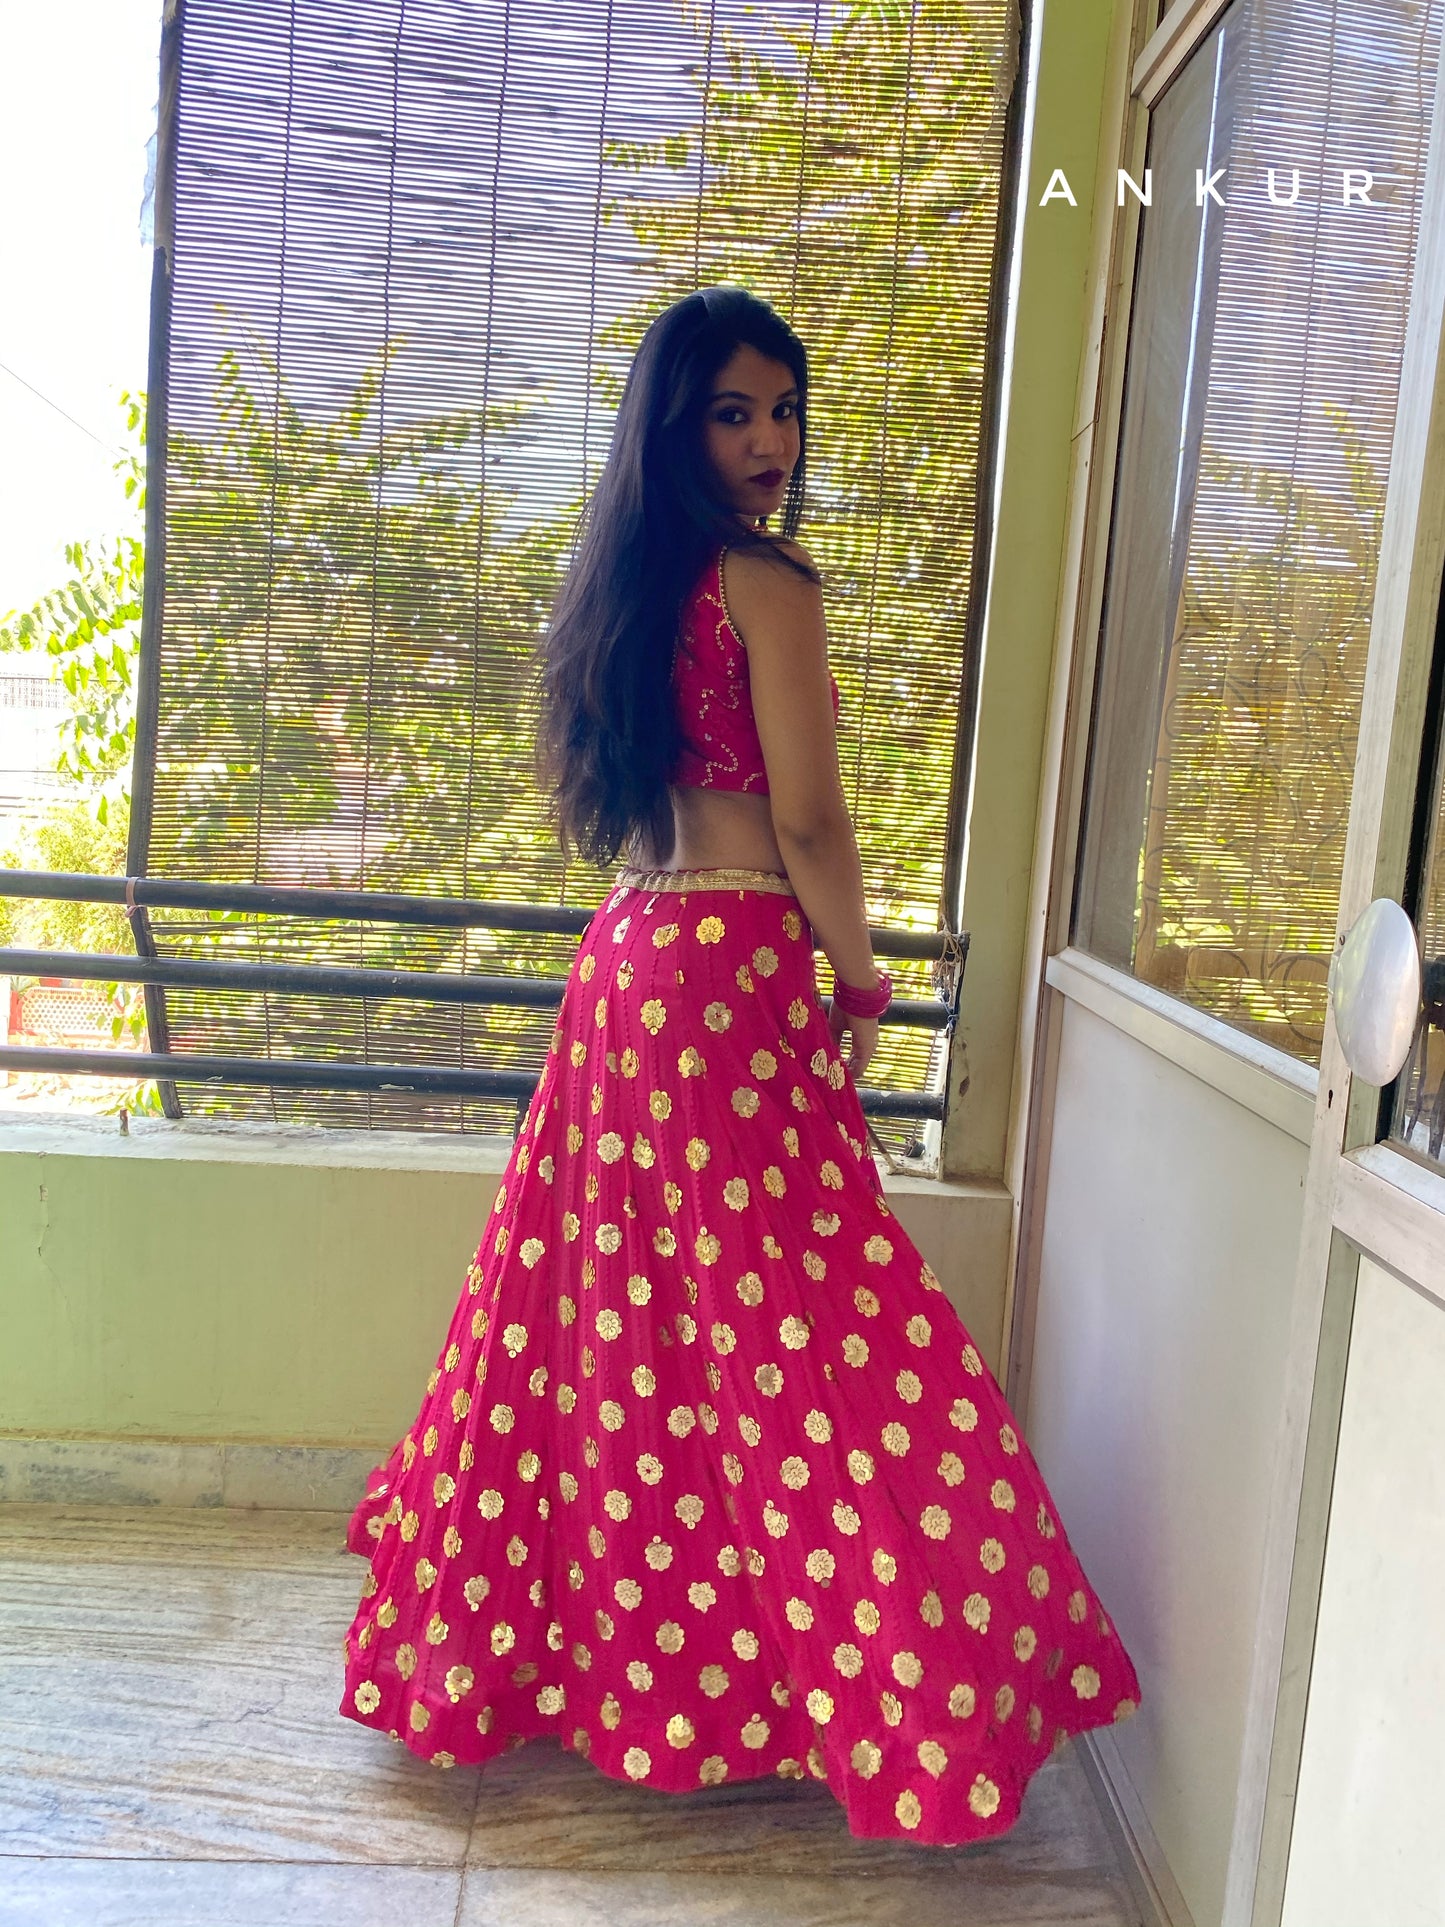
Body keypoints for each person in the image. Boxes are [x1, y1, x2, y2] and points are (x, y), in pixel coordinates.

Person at [339, 285, 1140, 1844]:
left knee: (616, 1326)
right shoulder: (765, 587)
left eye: (782, 407)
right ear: (674, 423)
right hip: (728, 976)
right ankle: (867, 1690)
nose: (769, 440)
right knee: (816, 1327)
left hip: (630, 961)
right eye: (732, 411)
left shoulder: (622, 582)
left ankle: (640, 1673)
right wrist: (856, 974)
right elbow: (812, 820)